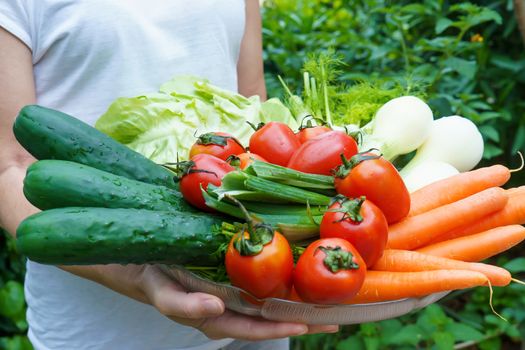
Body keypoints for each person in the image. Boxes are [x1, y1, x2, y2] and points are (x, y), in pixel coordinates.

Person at [0, 1, 339, 349]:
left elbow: (252, 113)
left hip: (255, 302)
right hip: (101, 334)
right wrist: (137, 276)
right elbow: (8, 166)